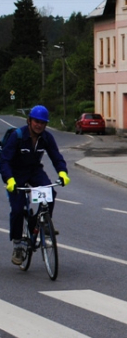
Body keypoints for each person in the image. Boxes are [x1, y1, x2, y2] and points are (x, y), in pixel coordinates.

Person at [1, 105, 70, 265]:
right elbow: (4, 160)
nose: (39, 125)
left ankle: (43, 222)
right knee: (18, 210)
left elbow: (56, 156)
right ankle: (18, 245)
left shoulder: (46, 137)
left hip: (34, 171)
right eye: (36, 121)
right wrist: (9, 179)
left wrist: (62, 172)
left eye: (43, 123)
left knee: (50, 193)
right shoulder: (17, 136)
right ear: (30, 121)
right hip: (15, 173)